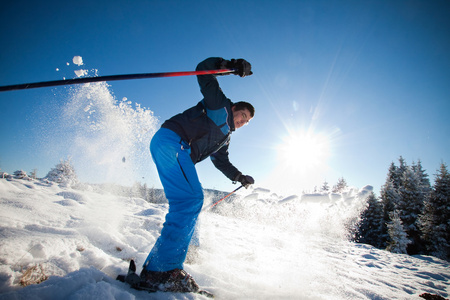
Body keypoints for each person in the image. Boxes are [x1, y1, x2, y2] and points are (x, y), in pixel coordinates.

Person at [140, 57, 255, 293]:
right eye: (242, 115)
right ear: (234, 108)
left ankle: (187, 249)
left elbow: (221, 162)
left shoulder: (224, 137)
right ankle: (161, 271)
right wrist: (230, 66)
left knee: (193, 202)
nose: (242, 121)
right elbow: (204, 70)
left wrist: (240, 177)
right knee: (190, 200)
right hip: (173, 141)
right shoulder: (220, 106)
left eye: (246, 121)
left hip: (174, 148)